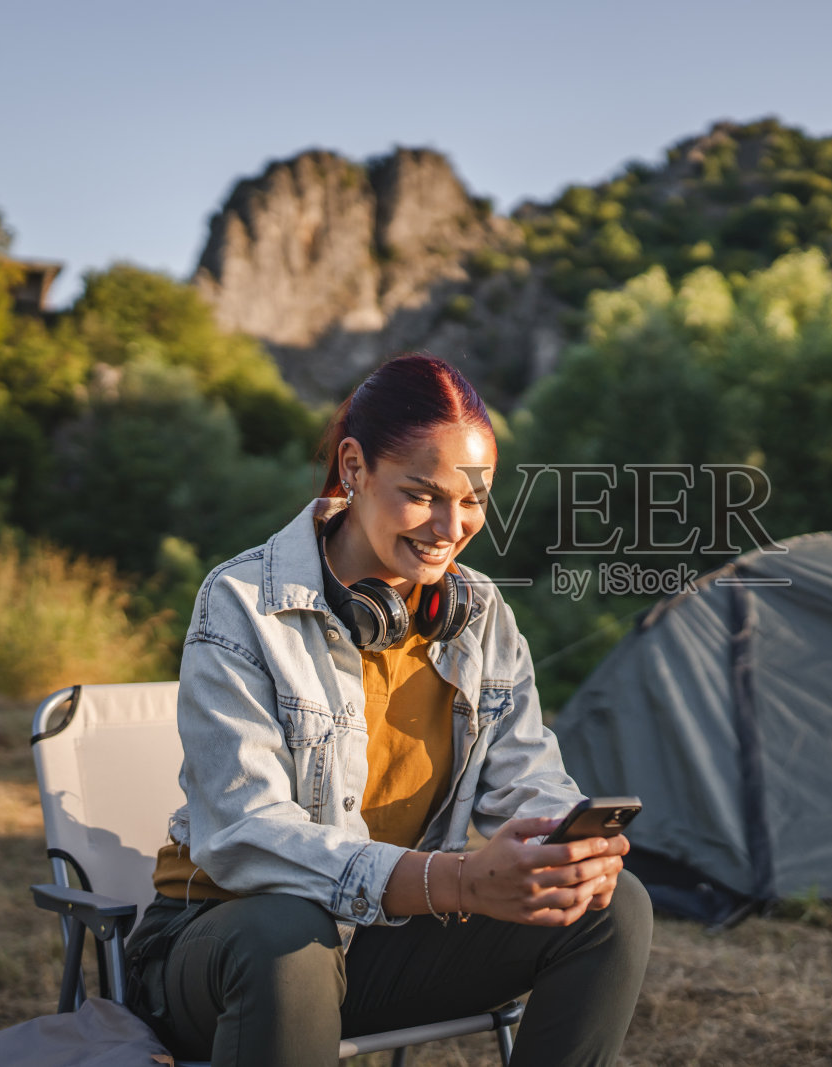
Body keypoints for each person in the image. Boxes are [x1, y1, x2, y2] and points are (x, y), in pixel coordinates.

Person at [124, 352, 653, 1067]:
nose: (451, 525)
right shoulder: (240, 602)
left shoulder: (482, 616)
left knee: (612, 910)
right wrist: (457, 880)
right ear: (354, 467)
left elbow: (528, 777)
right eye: (422, 494)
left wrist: (566, 853)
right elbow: (244, 833)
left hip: (372, 947)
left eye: (473, 499)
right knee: (286, 930)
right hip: (221, 948)